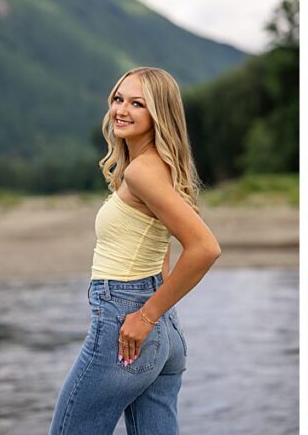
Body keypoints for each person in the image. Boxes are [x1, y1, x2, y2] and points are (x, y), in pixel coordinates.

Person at [50, 67, 221, 434]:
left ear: (158, 114)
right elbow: (163, 247)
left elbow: (205, 248)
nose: (121, 110)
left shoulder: (142, 172)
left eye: (137, 104)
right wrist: (155, 315)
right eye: (118, 99)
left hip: (129, 324)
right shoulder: (158, 167)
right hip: (159, 328)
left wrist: (145, 317)